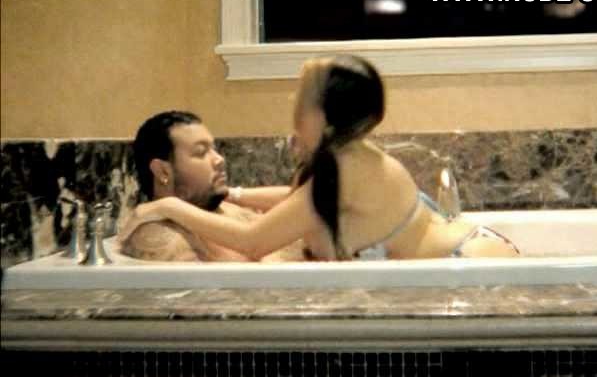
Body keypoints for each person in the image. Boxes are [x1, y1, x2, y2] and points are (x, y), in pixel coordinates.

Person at [118, 56, 519, 261]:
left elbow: (253, 243)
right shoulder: (343, 158)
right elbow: (301, 202)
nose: (292, 100)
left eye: (301, 95)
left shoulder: (347, 169)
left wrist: (168, 206)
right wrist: (234, 195)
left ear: (324, 114)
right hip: (466, 253)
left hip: (467, 262)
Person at [123, 110, 304, 262]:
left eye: (214, 149)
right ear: (163, 172)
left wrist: (229, 194)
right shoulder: (162, 237)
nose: (219, 159)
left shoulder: (229, 210)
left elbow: (303, 199)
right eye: (201, 152)